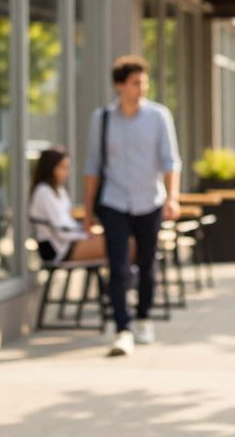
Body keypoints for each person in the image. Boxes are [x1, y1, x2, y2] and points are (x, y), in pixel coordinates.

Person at [83, 55, 181, 357]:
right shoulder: (102, 119)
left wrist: (172, 197)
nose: (142, 88)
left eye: (144, 82)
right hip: (114, 201)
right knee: (118, 266)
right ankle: (122, 327)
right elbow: (93, 167)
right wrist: (88, 210)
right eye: (136, 83)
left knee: (148, 264)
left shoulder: (158, 116)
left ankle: (142, 317)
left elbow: (170, 161)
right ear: (120, 85)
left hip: (149, 200)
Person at [29, 146, 104, 263]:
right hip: (58, 248)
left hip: (69, 242)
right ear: (50, 168)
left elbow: (68, 223)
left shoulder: (60, 191)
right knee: (118, 245)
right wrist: (84, 236)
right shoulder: (43, 192)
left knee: (117, 242)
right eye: (62, 168)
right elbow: (61, 230)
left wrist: (85, 233)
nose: (66, 173)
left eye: (67, 168)